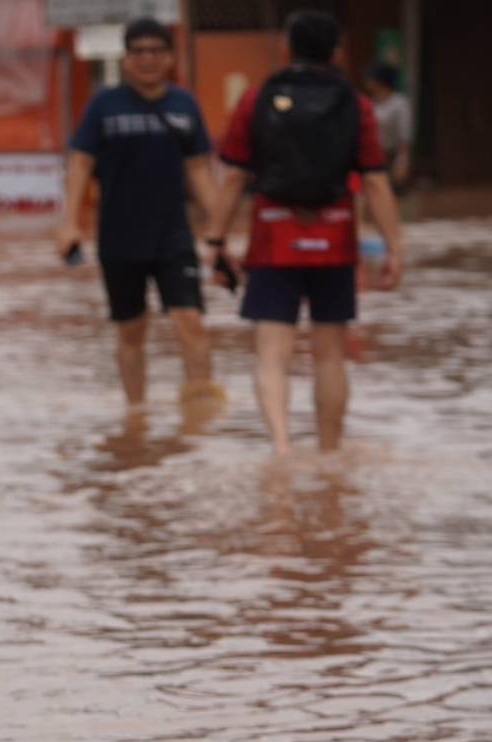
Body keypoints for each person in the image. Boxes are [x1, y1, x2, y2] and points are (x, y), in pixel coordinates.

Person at [204, 11, 404, 455]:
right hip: (335, 242)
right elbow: (374, 181)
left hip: (273, 242)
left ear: (285, 48)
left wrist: (215, 241)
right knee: (330, 355)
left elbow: (234, 177)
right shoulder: (356, 103)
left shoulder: (257, 99)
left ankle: (281, 448)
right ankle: (329, 453)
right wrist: (395, 246)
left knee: (271, 355)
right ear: (338, 52)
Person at [57, 17, 221, 410]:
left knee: (190, 322)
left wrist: (219, 229)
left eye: (155, 51)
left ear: (170, 57)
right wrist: (69, 223)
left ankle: (199, 409)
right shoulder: (104, 105)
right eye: (139, 52)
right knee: (131, 330)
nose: (147, 59)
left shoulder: (185, 105)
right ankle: (137, 415)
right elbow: (80, 163)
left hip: (174, 237)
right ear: (127, 59)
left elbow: (199, 170)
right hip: (119, 238)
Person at [361, 63, 412, 190]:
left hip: (392, 156)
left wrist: (402, 163)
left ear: (380, 81)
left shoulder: (399, 103)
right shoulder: (371, 103)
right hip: (375, 156)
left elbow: (404, 136)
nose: (367, 82)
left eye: (370, 79)